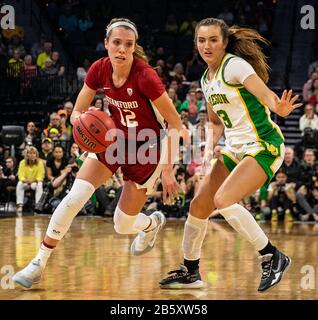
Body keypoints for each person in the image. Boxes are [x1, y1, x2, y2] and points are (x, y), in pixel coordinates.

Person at [13, 17, 182, 289]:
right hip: (112, 140)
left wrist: (168, 168)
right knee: (74, 197)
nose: (122, 49)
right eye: (116, 42)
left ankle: (151, 224)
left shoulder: (145, 76)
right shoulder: (98, 69)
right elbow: (77, 112)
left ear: (134, 47)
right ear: (106, 44)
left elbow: (175, 123)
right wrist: (83, 126)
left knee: (122, 225)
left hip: (147, 148)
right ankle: (38, 263)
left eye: (128, 44)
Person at [160, 18, 301, 292]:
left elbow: (266, 95)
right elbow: (214, 122)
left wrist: (278, 107)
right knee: (199, 205)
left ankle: (272, 257)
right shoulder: (205, 79)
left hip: (263, 144)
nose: (207, 46)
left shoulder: (234, 66)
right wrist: (207, 151)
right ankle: (190, 271)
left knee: (223, 200)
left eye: (213, 40)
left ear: (225, 43)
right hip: (234, 147)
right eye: (201, 40)